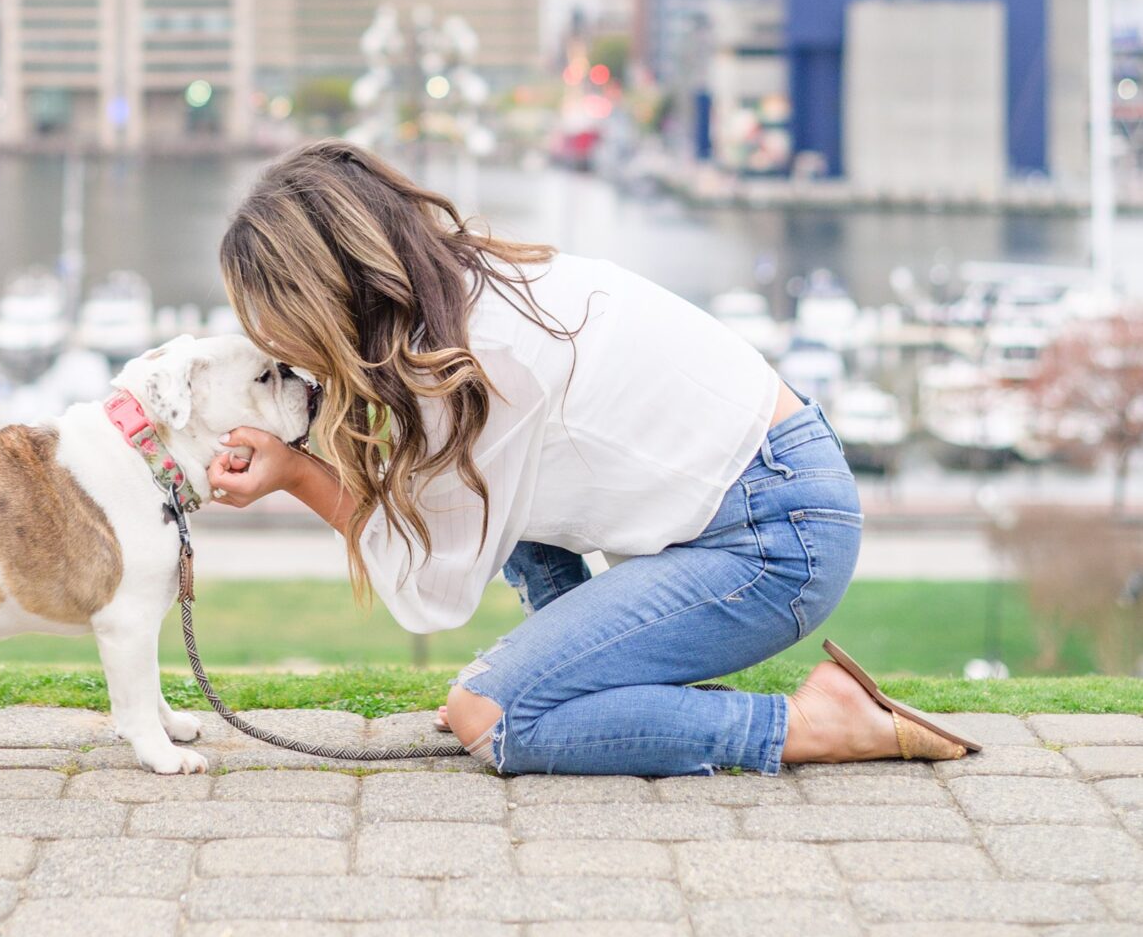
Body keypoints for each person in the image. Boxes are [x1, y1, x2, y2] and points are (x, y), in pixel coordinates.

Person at [207, 140, 975, 775]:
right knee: (511, 621)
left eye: (283, 319)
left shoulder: (482, 360)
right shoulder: (478, 297)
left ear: (326, 294)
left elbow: (433, 586)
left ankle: (814, 724)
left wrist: (299, 475)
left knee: (495, 719)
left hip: (776, 541)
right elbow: (501, 530)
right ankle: (562, 682)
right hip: (780, 492)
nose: (283, 344)